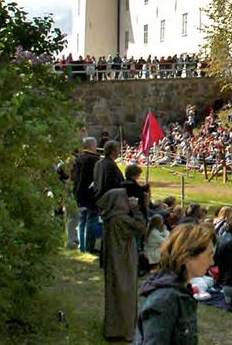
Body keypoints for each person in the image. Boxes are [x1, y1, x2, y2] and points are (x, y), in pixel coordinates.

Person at [134, 223, 216, 344]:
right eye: (209, 255)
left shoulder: (182, 290)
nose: (212, 262)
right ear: (186, 257)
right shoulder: (165, 301)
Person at [100, 188, 146, 342]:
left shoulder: (110, 217)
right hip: (123, 260)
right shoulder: (121, 219)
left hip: (114, 258)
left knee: (114, 293)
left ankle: (113, 328)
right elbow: (141, 226)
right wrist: (135, 208)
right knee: (125, 293)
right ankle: (126, 330)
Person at [73, 137, 101, 253]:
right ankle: (89, 246)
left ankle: (82, 246)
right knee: (91, 220)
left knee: (82, 220)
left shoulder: (78, 159)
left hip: (79, 191)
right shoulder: (95, 159)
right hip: (90, 193)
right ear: (91, 146)